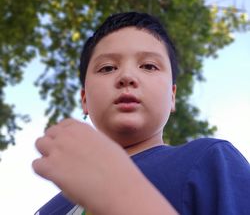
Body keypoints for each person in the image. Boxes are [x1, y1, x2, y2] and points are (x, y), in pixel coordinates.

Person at [33, 12, 250, 215]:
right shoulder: (50, 210)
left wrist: (121, 194)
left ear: (172, 95)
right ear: (84, 99)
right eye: (107, 68)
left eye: (148, 66)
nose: (126, 76)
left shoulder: (209, 161)